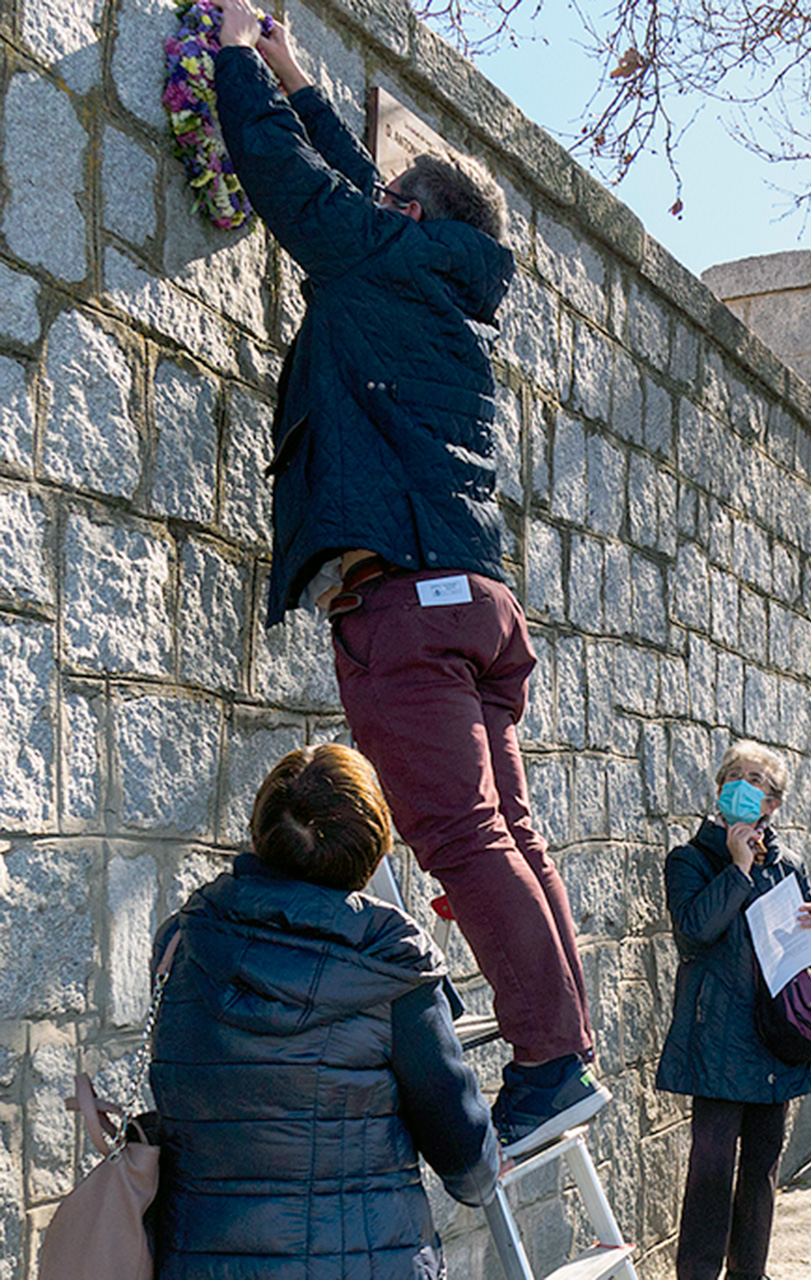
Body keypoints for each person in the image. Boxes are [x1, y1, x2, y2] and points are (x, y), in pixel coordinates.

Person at [209, 0, 605, 1154]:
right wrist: (297, 69)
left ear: (412, 214)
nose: (372, 204)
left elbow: (298, 190)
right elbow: (353, 195)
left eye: (389, 199)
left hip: (408, 606)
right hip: (476, 606)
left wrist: (237, 56)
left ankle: (549, 1059)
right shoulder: (437, 278)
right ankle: (562, 1043)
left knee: (463, 837)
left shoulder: (388, 260)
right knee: (511, 838)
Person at [149, 746, 500, 1278]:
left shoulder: (183, 942)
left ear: (261, 831)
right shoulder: (393, 968)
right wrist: (489, 1164)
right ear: (372, 846)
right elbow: (467, 1163)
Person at [659, 741, 811, 1280]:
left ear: (772, 803)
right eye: (735, 775)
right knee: (710, 1174)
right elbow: (693, 932)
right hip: (717, 1040)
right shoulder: (690, 859)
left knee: (760, 1171)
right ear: (720, 790)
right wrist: (735, 869)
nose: (743, 783)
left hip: (775, 1040)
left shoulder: (789, 865)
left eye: (757, 779)